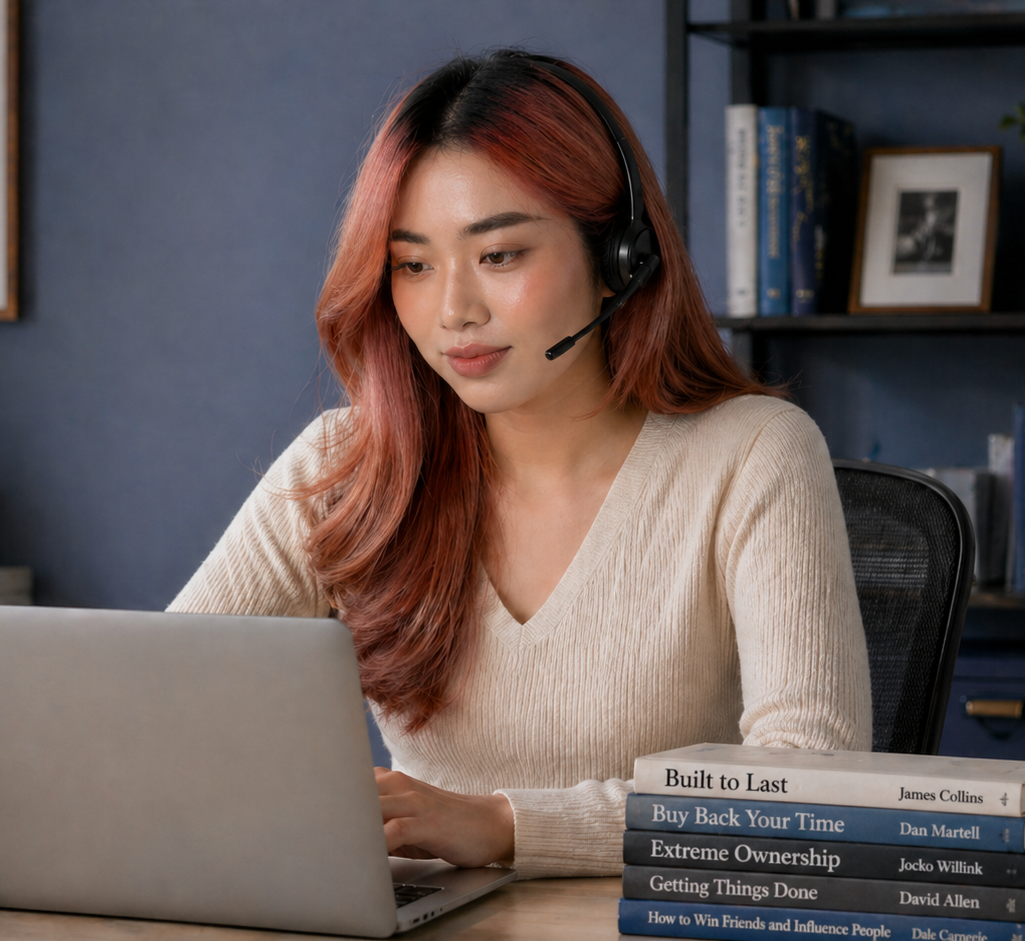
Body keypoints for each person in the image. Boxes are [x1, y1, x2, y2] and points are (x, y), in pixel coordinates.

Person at [168, 50, 871, 879]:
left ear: (620, 256)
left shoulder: (754, 453)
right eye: (413, 265)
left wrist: (508, 827)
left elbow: (817, 789)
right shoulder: (346, 466)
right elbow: (153, 706)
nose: (454, 311)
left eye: (499, 255)